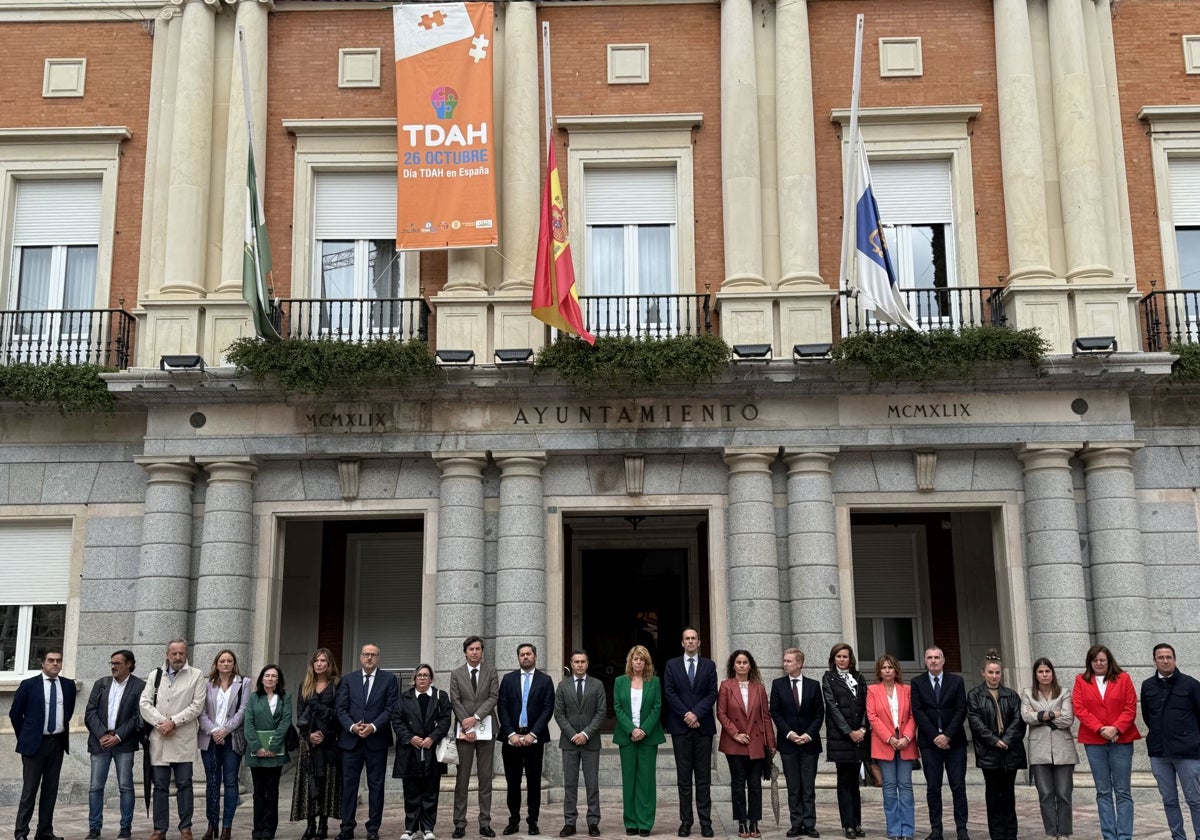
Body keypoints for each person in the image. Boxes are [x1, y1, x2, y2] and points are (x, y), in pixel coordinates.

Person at [140, 639, 208, 840]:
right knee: (160, 786)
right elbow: (144, 703)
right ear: (167, 654)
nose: (178, 657)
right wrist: (162, 723)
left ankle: (185, 828)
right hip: (159, 737)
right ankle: (159, 829)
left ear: (186, 654)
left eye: (181, 653)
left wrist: (174, 722)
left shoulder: (196, 675)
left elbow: (197, 705)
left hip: (182, 739)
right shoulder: (156, 675)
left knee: (185, 784)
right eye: (174, 653)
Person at [1072, 644, 1141, 840]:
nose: (1099, 663)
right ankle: (1109, 836)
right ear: (1090, 662)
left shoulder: (1124, 678)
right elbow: (1080, 708)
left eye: (1102, 659)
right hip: (1094, 742)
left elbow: (1130, 708)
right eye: (1095, 660)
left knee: (1122, 791)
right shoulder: (1081, 680)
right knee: (1103, 791)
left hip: (1122, 740)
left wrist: (1115, 728)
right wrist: (1101, 729)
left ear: (1109, 661)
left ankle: (1124, 835)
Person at [335, 643, 400, 840]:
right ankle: (347, 828)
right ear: (360, 657)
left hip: (376, 741)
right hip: (351, 741)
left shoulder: (389, 680)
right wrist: (353, 727)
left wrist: (372, 727)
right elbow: (340, 708)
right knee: (349, 787)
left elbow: (391, 708)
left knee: (376, 786)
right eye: (366, 654)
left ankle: (373, 829)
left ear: (378, 658)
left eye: (373, 655)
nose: (369, 658)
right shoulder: (348, 679)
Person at [10, 648, 76, 840]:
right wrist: (25, 736)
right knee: (29, 790)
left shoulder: (68, 685)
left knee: (51, 789)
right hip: (34, 746)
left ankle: (45, 831)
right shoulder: (29, 685)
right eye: (51, 660)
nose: (55, 664)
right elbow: (15, 714)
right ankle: (21, 832)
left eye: (58, 660)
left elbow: (68, 712)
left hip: (57, 743)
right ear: (42, 663)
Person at [662, 627, 719, 839]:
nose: (690, 641)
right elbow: (669, 692)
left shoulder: (709, 665)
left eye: (694, 638)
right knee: (684, 780)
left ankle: (706, 823)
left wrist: (696, 714)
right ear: (682, 643)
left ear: (699, 642)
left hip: (703, 728)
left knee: (703, 779)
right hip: (680, 728)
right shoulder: (672, 665)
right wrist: (687, 714)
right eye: (687, 638)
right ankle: (686, 822)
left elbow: (712, 693)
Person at [84, 649, 146, 840]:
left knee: (126, 787)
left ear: (129, 664)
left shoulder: (139, 686)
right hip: (100, 742)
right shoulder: (101, 684)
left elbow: (139, 717)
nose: (113, 666)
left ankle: (125, 828)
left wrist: (118, 736)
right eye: (111, 663)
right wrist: (102, 733)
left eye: (117, 663)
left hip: (124, 744)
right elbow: (90, 712)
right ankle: (94, 828)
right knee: (95, 787)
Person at [1141, 642, 1200, 840]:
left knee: (1195, 800)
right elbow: (1148, 717)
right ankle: (1178, 837)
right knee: (1169, 800)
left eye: (1169, 657)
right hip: (1159, 753)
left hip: (1187, 752)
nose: (1165, 661)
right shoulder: (1147, 686)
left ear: (1175, 659)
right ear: (1154, 661)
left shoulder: (1191, 684)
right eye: (1161, 657)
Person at [910, 646, 969, 840]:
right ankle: (936, 829)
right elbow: (918, 711)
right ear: (925, 661)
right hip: (929, 743)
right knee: (933, 788)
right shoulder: (917, 683)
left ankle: (962, 829)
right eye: (930, 657)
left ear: (943, 660)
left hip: (955, 743)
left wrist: (947, 736)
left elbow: (961, 710)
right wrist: (936, 735)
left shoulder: (957, 681)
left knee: (958, 787)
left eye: (937, 657)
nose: (933, 660)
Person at [966, 649, 1026, 840]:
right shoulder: (975, 695)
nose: (994, 676)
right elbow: (975, 722)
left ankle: (1011, 833)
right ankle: (997, 834)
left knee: (1008, 793)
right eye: (990, 672)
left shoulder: (1011, 695)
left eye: (997, 672)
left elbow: (1019, 720)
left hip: (1010, 751)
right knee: (993, 794)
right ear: (983, 673)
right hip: (989, 752)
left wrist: (1006, 740)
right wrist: (994, 740)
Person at [497, 642, 555, 836]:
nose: (526, 657)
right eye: (522, 655)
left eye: (529, 654)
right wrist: (511, 734)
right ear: (518, 657)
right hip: (511, 739)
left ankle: (533, 821)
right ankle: (513, 821)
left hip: (534, 739)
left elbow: (548, 709)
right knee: (512, 782)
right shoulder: (508, 679)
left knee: (533, 782)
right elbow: (502, 707)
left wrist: (532, 734)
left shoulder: (545, 680)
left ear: (535, 656)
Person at [717, 650, 775, 840]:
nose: (742, 665)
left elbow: (765, 717)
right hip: (734, 743)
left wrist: (771, 744)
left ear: (750, 666)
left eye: (745, 662)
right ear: (733, 665)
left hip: (756, 741)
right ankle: (742, 821)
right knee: (738, 783)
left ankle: (754, 821)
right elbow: (721, 714)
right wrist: (736, 734)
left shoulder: (759, 688)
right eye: (738, 662)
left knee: (755, 784)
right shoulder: (726, 686)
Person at [392, 663, 453, 840]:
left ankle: (427, 828)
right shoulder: (404, 697)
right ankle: (410, 828)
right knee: (411, 790)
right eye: (419, 675)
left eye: (426, 675)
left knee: (430, 790)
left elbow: (445, 719)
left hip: (431, 750)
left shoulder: (440, 696)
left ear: (431, 678)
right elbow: (397, 720)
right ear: (414, 678)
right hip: (410, 750)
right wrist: (411, 738)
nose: (422, 678)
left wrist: (432, 738)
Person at [1020, 658, 1077, 840]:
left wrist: (1041, 716)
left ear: (1052, 673)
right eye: (1040, 672)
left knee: (1064, 794)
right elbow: (1026, 718)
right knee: (1045, 794)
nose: (1044, 675)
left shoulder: (1064, 693)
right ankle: (1051, 832)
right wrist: (1054, 714)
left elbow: (1068, 719)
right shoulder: (1027, 693)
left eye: (1047, 671)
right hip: (1039, 750)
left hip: (1063, 749)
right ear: (1035, 675)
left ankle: (1065, 832)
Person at [450, 636, 500, 840]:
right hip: (464, 732)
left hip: (486, 729)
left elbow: (493, 696)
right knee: (462, 779)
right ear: (465, 652)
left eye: (478, 649)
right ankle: (460, 823)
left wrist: (476, 718)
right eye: (471, 649)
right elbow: (455, 699)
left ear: (482, 651)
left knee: (485, 778)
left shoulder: (491, 671)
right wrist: (466, 723)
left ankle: (484, 823)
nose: (474, 652)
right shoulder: (456, 674)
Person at [770, 648, 823, 839]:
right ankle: (796, 823)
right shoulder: (778, 684)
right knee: (793, 787)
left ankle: (809, 824)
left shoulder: (813, 685)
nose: (785, 664)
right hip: (788, 744)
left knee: (808, 787)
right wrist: (790, 734)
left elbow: (819, 714)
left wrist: (808, 735)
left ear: (799, 663)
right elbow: (775, 712)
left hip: (810, 744)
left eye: (789, 661)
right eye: (784, 661)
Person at [198, 650, 252, 840]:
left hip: (231, 739)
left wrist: (225, 731)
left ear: (234, 663)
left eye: (230, 660)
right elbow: (201, 712)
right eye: (222, 660)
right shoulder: (207, 685)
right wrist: (214, 731)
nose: (226, 663)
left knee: (230, 783)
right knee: (212, 783)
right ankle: (212, 825)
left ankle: (227, 827)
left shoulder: (244, 683)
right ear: (216, 664)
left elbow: (243, 710)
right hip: (210, 739)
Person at [292, 648, 343, 840]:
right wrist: (308, 735)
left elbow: (337, 714)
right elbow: (300, 714)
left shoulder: (337, 684)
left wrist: (324, 733)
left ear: (330, 664)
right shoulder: (304, 686)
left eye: (323, 661)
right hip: (309, 744)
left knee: (326, 784)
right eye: (316, 661)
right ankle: (310, 824)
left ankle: (323, 824)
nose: (319, 664)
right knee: (308, 784)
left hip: (329, 742)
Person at [613, 645, 664, 838]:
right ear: (630, 661)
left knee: (646, 782)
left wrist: (643, 730)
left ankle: (645, 822)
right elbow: (617, 707)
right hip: (626, 737)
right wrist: (631, 729)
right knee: (629, 781)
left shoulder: (654, 682)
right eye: (635, 659)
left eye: (642, 659)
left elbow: (657, 708)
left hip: (648, 738)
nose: (638, 662)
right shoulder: (619, 681)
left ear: (647, 662)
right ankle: (631, 821)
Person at [554, 650, 607, 838]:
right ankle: (570, 822)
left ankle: (593, 821)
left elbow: (601, 712)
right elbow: (558, 713)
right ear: (571, 663)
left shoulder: (597, 685)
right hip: (569, 743)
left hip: (590, 741)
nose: (579, 665)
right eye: (576, 662)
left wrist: (585, 734)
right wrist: (572, 734)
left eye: (582, 661)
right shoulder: (562, 686)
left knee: (592, 784)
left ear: (587, 663)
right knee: (570, 784)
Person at [821, 643, 869, 840]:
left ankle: (857, 823)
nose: (842, 659)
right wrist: (849, 731)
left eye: (845, 656)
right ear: (834, 659)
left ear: (851, 659)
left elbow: (868, 705)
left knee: (855, 783)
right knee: (844, 782)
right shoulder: (828, 678)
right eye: (839, 656)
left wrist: (863, 729)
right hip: (842, 737)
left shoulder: (858, 677)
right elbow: (832, 707)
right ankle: (847, 824)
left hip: (860, 736)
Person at [866, 655, 917, 840]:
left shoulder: (907, 689)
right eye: (883, 667)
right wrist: (889, 738)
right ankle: (894, 830)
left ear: (896, 670)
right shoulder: (872, 690)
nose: (887, 670)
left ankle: (908, 830)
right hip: (884, 743)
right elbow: (872, 717)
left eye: (890, 667)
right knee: (888, 786)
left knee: (905, 786)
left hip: (905, 742)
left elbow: (913, 716)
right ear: (879, 671)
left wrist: (906, 737)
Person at [245, 664, 293, 840]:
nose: (270, 679)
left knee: (272, 790)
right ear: (261, 679)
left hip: (276, 752)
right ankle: (257, 829)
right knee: (258, 791)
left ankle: (269, 829)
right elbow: (248, 723)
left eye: (274, 676)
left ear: (278, 679)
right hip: (256, 752)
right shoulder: (253, 698)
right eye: (267, 675)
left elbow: (286, 720)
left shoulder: (285, 697)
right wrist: (257, 747)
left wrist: (273, 747)